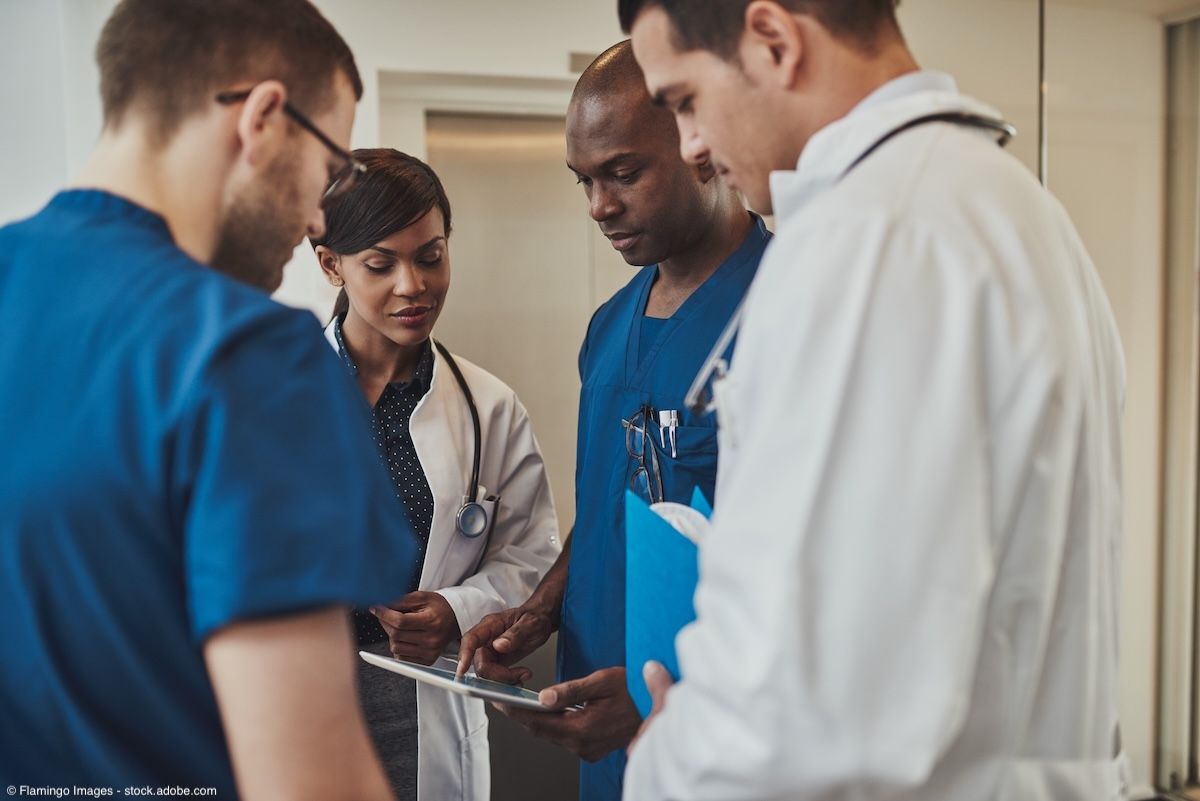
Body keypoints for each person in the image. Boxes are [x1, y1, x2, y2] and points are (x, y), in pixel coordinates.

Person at [618, 1, 1129, 800]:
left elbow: (814, 703)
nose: (692, 145)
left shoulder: (868, 243)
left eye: (685, 101)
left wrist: (668, 756)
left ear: (774, 40)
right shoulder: (1017, 209)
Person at [0, 2, 418, 798]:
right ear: (263, 118)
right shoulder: (245, 352)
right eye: (327, 173)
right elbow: (309, 782)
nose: (317, 216)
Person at [456, 40, 771, 801]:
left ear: (701, 145)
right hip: (598, 738)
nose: (599, 205)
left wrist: (660, 697)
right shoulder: (608, 326)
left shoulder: (787, 312)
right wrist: (539, 612)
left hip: (723, 745)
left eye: (624, 173)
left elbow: (813, 577)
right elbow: (611, 507)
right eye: (585, 181)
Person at [309, 148, 561, 801]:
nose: (412, 285)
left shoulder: (488, 407)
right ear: (330, 263)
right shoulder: (270, 394)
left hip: (427, 706)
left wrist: (457, 607)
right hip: (302, 700)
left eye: (430, 255)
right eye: (379, 263)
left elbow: (532, 557)